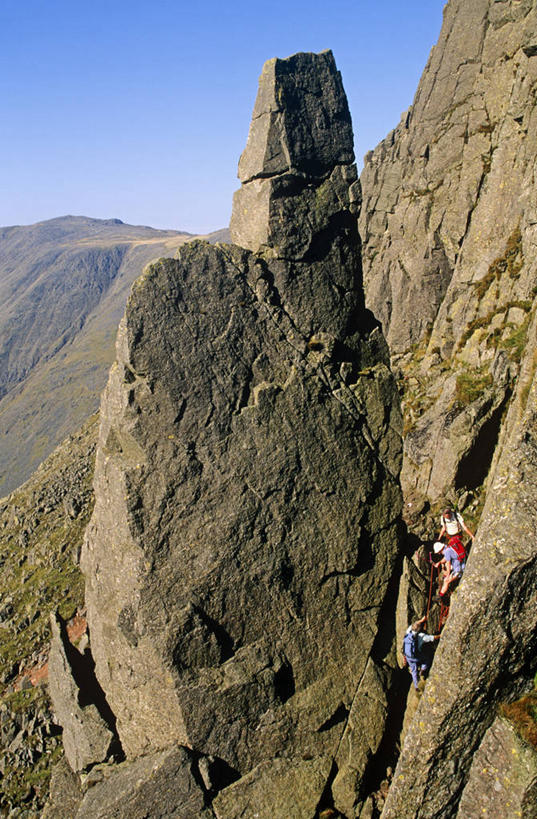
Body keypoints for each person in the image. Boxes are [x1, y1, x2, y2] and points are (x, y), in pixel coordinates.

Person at [402, 615, 439, 690]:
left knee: (413, 670)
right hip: (416, 657)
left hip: (408, 657)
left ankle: (416, 686)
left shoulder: (408, 632)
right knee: (427, 659)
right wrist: (441, 635)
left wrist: (422, 620)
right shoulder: (421, 636)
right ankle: (423, 669)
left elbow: (415, 624)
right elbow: (433, 638)